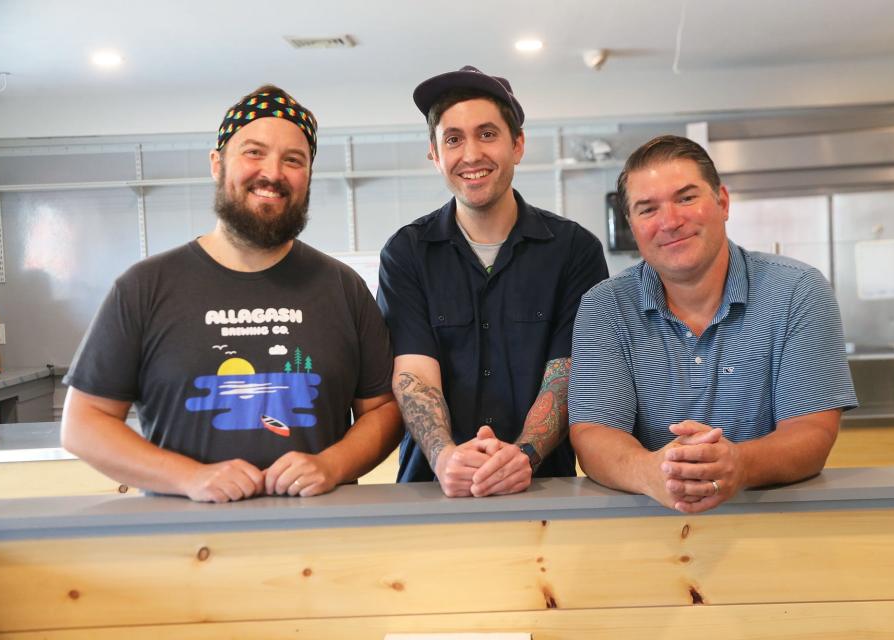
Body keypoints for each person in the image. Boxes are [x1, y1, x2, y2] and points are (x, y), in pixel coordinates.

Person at [61, 85, 401, 503]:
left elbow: (383, 411)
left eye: (293, 160)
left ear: (308, 176)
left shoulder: (342, 288)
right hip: (184, 546)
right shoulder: (144, 287)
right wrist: (188, 477)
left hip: (321, 543)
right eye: (254, 152)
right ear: (217, 163)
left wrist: (332, 465)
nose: (273, 173)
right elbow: (84, 423)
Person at [568, 134, 857, 513]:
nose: (670, 221)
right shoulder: (605, 307)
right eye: (647, 209)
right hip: (645, 540)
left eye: (686, 198)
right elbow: (594, 433)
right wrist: (652, 472)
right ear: (632, 225)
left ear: (722, 202)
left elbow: (812, 431)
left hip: (776, 534)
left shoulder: (798, 291)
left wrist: (739, 463)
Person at [378, 66, 608, 497]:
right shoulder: (405, 254)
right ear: (434, 154)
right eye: (453, 139)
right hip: (431, 491)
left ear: (517, 145)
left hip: (544, 491)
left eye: (487, 134)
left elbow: (567, 375)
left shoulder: (575, 251)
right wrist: (447, 456)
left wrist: (523, 455)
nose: (470, 154)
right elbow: (414, 375)